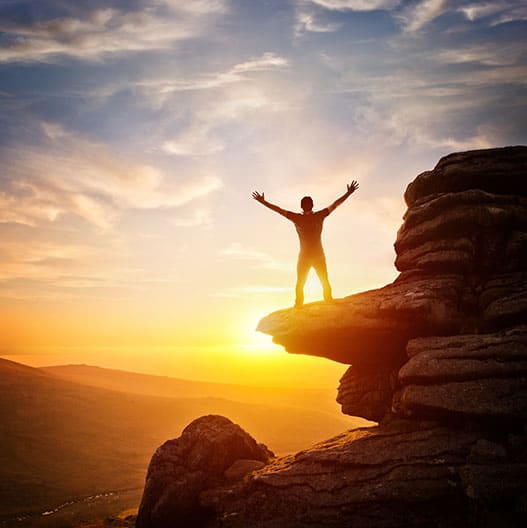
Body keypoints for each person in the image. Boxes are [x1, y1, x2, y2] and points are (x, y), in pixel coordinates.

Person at [252, 181, 359, 307]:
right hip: (319, 256)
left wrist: (263, 202)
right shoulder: (320, 215)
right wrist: (348, 193)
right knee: (324, 281)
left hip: (304, 258)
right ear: (312, 205)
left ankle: (298, 306)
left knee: (301, 283)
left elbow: (278, 210)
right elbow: (335, 204)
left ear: (301, 207)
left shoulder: (296, 218)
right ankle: (328, 301)